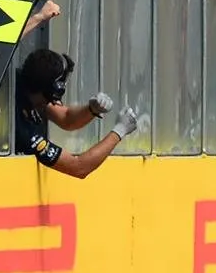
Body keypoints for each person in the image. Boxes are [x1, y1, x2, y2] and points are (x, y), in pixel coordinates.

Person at [13, 48, 142, 179]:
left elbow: (66, 118)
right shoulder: (23, 129)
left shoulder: (21, 85)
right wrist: (119, 131)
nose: (53, 102)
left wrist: (91, 109)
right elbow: (79, 167)